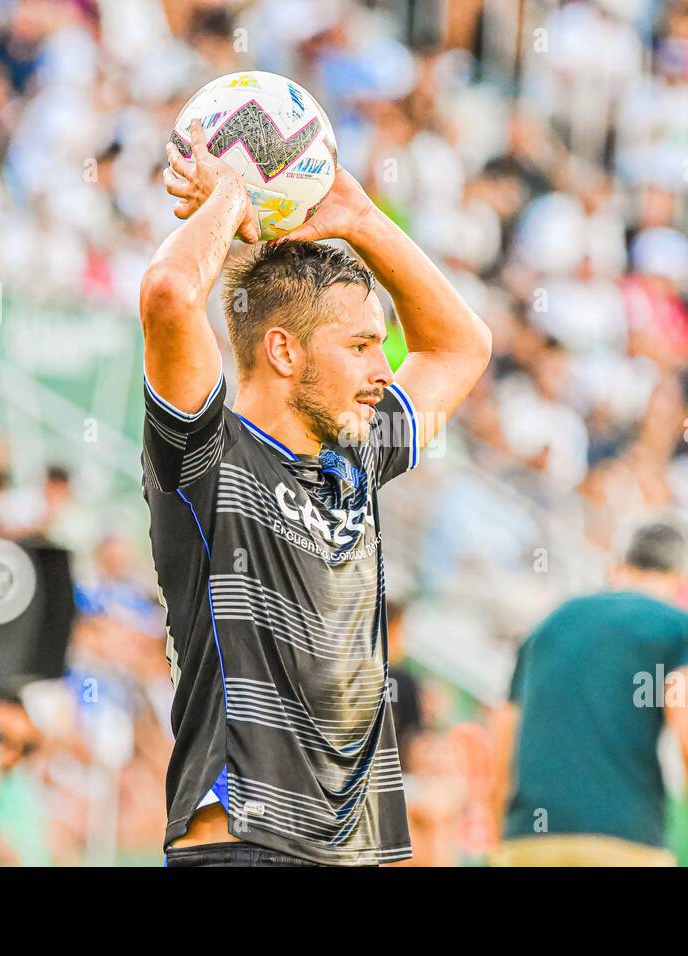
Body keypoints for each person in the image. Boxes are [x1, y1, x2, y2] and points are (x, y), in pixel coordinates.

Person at [141, 119, 491, 866]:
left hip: (359, 852)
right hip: (248, 843)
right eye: (362, 346)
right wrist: (233, 192)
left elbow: (462, 345)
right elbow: (171, 292)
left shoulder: (357, 462)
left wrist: (362, 220)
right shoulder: (209, 461)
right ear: (283, 350)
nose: (385, 370)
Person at [492, 517, 688, 865]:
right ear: (685, 577)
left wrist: (504, 836)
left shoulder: (548, 625)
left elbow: (503, 743)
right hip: (623, 842)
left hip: (527, 842)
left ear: (616, 564)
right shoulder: (680, 628)